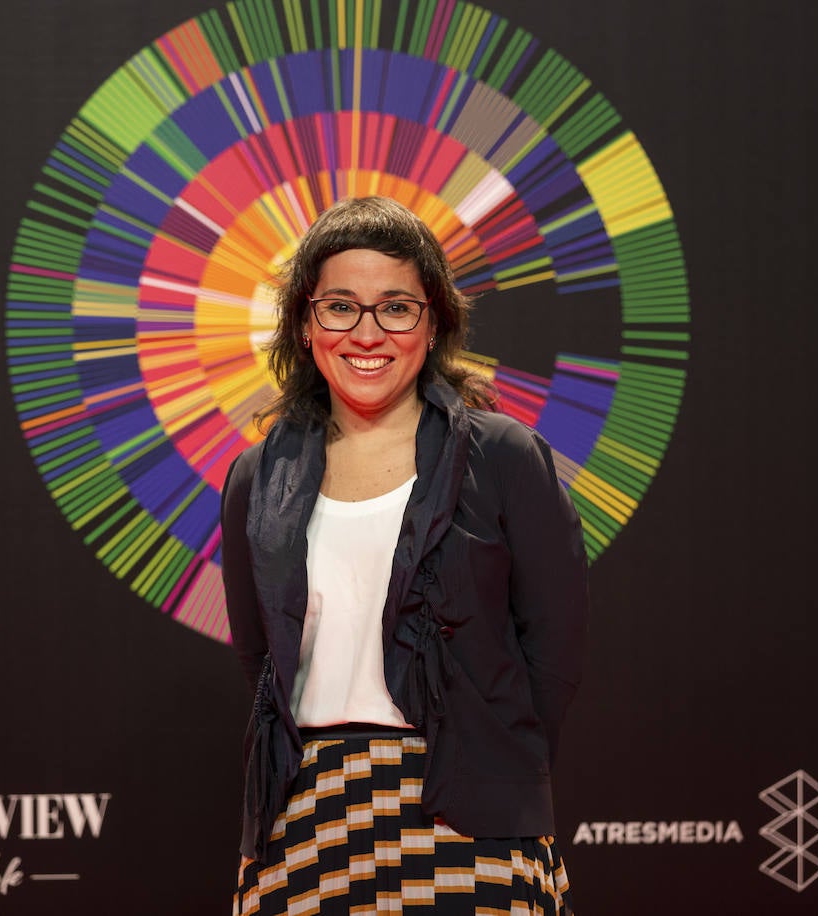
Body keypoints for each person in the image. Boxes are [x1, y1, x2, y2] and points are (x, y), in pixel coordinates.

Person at [221, 196, 587, 915]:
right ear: (304, 322)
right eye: (340, 307)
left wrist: (485, 761)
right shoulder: (257, 477)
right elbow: (261, 655)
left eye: (396, 307)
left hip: (470, 810)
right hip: (306, 814)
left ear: (434, 322)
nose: (367, 332)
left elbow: (555, 651)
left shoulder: (505, 458)